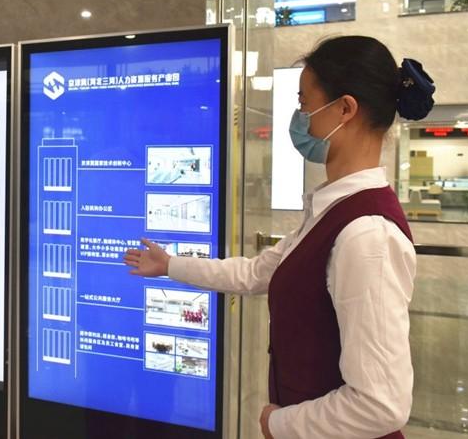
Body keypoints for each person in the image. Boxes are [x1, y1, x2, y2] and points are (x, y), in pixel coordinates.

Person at [124, 36, 436, 439]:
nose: (301, 117)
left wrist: (279, 424)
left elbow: (380, 404)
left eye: (305, 102)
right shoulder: (332, 212)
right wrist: (170, 265)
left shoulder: (367, 235)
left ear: (345, 109)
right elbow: (256, 273)